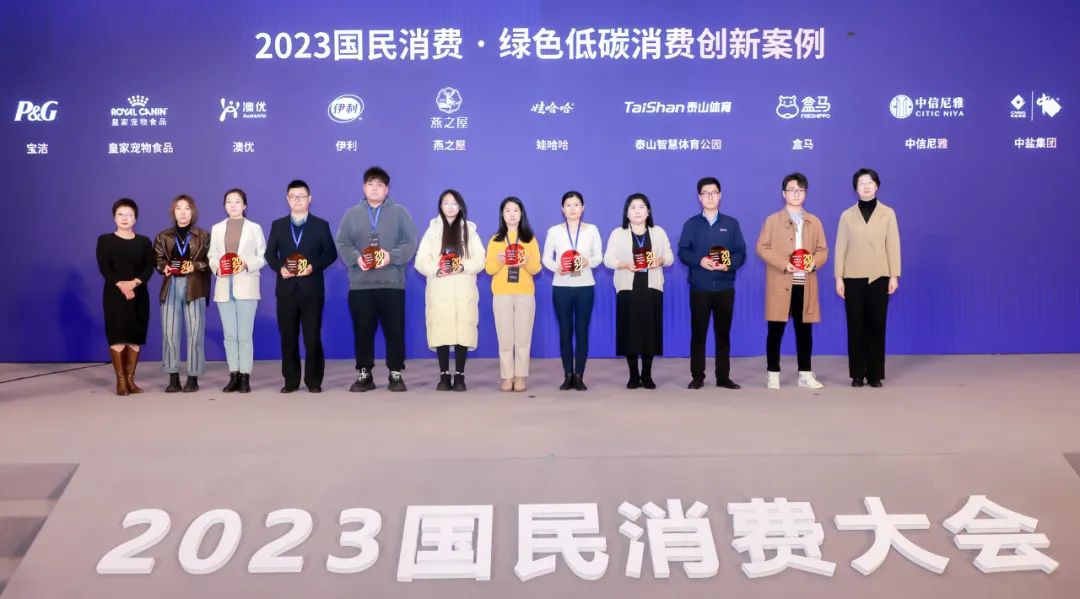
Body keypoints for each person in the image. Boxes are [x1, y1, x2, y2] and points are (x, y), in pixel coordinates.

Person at [335, 166, 418, 392]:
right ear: (364, 188)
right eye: (370, 184)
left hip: (392, 284)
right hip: (361, 285)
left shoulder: (400, 212)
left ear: (387, 189)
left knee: (395, 331)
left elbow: (410, 242)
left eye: (380, 185)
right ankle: (364, 373)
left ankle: (395, 373)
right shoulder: (352, 214)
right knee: (363, 331)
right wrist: (356, 258)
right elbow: (342, 242)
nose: (375, 188)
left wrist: (391, 256)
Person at [755, 173, 829, 390]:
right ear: (783, 193)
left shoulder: (814, 221)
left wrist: (812, 263)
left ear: (805, 193)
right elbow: (762, 247)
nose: (796, 194)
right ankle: (773, 373)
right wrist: (783, 264)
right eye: (792, 190)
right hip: (780, 281)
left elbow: (823, 250)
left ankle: (805, 373)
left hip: (805, 284)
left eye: (800, 190)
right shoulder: (772, 220)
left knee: (804, 331)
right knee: (775, 330)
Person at [264, 179, 338, 393]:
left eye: (301, 196)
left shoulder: (321, 225)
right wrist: (280, 268)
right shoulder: (278, 225)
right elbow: (270, 254)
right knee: (288, 337)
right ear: (287, 199)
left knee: (312, 336)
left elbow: (330, 254)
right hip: (286, 289)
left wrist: (313, 267)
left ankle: (314, 381)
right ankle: (291, 381)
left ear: (309, 199)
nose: (297, 200)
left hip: (312, 289)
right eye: (293, 196)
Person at [677, 177, 747, 390]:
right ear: (699, 197)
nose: (710, 196)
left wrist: (728, 265)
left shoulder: (731, 224)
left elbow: (741, 253)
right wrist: (699, 261)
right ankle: (697, 376)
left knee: (723, 334)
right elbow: (682, 252)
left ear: (720, 195)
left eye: (714, 192)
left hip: (725, 288)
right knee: (698, 334)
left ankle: (723, 377)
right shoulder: (691, 224)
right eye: (705, 193)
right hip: (700, 288)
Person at [834, 168, 901, 388]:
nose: (866, 186)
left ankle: (875, 374)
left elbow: (893, 245)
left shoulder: (888, 213)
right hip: (853, 277)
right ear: (856, 188)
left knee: (877, 326)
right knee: (855, 327)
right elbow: (840, 247)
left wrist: (894, 275)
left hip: (879, 276)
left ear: (877, 186)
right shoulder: (847, 216)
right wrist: (838, 277)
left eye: (870, 182)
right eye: (861, 183)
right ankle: (856, 374)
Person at [414, 189, 486, 391]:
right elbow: (420, 260)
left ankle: (460, 375)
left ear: (460, 206)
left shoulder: (469, 229)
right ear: (440, 206)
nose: (450, 207)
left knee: (463, 327)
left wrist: (463, 266)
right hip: (440, 287)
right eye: (446, 203)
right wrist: (436, 270)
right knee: (441, 328)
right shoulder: (432, 230)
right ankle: (444, 375)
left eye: (454, 203)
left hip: (463, 286)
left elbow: (480, 258)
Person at [603, 193, 674, 389]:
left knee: (650, 330)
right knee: (629, 331)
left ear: (648, 211)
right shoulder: (618, 233)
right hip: (628, 287)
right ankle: (633, 375)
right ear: (626, 212)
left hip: (652, 286)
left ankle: (647, 375)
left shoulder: (658, 232)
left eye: (641, 207)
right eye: (633, 207)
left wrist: (660, 260)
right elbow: (607, 259)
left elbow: (670, 257)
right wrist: (624, 264)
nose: (637, 211)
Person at [542, 191, 603, 391]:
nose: (572, 208)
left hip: (585, 286)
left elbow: (599, 256)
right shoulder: (554, 231)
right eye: (568, 205)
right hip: (561, 287)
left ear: (583, 208)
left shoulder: (592, 230)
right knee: (565, 331)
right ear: (562, 209)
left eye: (576, 205)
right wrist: (556, 268)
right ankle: (568, 375)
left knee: (582, 331)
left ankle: (580, 376)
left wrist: (587, 261)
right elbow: (546, 258)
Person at [208, 188, 266, 393]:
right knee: (230, 335)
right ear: (224, 205)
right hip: (224, 287)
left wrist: (246, 264)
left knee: (245, 335)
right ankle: (233, 374)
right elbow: (212, 256)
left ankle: (245, 376)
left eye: (237, 201)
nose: (233, 205)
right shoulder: (217, 228)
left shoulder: (254, 228)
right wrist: (217, 268)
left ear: (245, 205)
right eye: (229, 202)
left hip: (247, 286)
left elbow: (263, 256)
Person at [96, 198, 155, 396]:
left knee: (135, 337)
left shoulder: (144, 242)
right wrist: (122, 285)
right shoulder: (105, 240)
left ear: (135, 219)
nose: (125, 218)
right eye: (120, 214)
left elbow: (149, 267)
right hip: (115, 295)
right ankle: (121, 381)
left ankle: (131, 380)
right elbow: (105, 267)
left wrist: (134, 283)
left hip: (139, 294)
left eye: (129, 215)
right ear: (114, 217)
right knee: (118, 335)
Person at [153, 194, 210, 393]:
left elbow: (210, 262)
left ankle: (193, 377)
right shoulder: (163, 236)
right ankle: (173, 377)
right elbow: (158, 260)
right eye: (179, 208)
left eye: (187, 208)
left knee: (195, 333)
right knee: (169, 334)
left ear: (193, 212)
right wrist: (164, 267)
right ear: (173, 212)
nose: (183, 212)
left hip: (195, 286)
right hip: (170, 286)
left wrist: (195, 266)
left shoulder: (204, 236)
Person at [485, 197, 542, 392]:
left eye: (515, 210)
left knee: (523, 338)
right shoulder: (495, 240)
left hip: (525, 293)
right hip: (502, 293)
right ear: (502, 214)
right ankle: (507, 376)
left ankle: (521, 376)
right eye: (507, 210)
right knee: (505, 338)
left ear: (521, 213)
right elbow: (489, 269)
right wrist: (500, 261)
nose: (511, 214)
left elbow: (536, 269)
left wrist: (525, 261)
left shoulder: (529, 239)